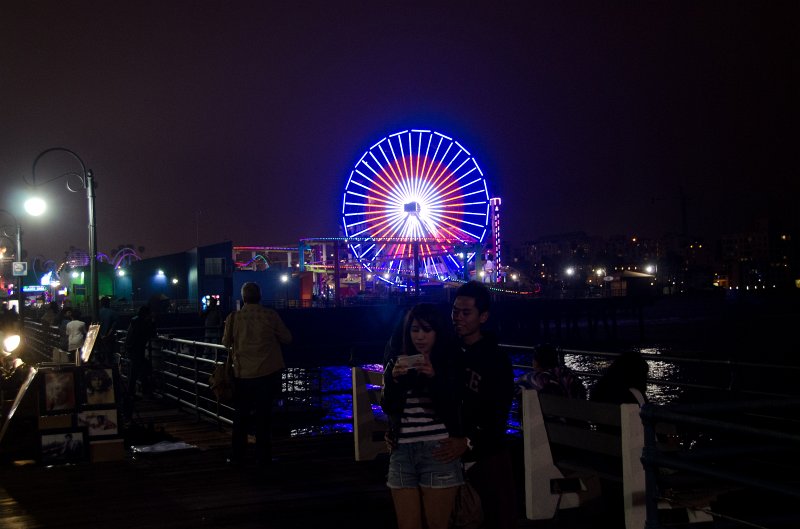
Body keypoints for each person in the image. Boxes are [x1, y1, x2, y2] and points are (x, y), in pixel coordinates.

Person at [433, 280, 517, 529]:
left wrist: (469, 440)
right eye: (455, 311)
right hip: (450, 454)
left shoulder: (497, 360)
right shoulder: (446, 353)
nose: (458, 317)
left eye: (466, 312)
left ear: (484, 317)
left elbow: (498, 412)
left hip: (485, 456)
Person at [381, 303, 464, 529]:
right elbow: (389, 407)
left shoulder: (450, 361)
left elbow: (454, 407)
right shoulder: (397, 361)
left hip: (438, 452)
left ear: (438, 332)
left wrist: (433, 378)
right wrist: (395, 382)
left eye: (427, 330)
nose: (420, 336)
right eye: (415, 330)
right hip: (402, 452)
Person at [221, 282, 292, 470]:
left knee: (241, 418)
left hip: (242, 374)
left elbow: (225, 342)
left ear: (243, 297)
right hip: (267, 373)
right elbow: (287, 338)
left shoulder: (234, 318)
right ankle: (264, 457)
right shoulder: (270, 315)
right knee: (264, 418)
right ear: (260, 296)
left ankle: (237, 456)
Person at [515, 343, 587, 399]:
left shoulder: (536, 379)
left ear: (537, 362)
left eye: (533, 359)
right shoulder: (570, 376)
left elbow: (515, 390)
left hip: (550, 416)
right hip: (575, 415)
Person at [124, 305, 157, 402]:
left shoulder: (134, 320)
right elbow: (151, 333)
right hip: (137, 350)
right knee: (139, 371)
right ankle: (136, 393)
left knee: (138, 371)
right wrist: (153, 321)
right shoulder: (143, 322)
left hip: (131, 348)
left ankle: (138, 392)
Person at [97, 296, 119, 364]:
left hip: (99, 337)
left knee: (100, 355)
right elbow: (113, 327)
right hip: (109, 338)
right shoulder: (113, 313)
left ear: (101, 303)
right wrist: (107, 336)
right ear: (109, 303)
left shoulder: (97, 313)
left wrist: (101, 335)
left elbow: (95, 326)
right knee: (110, 355)